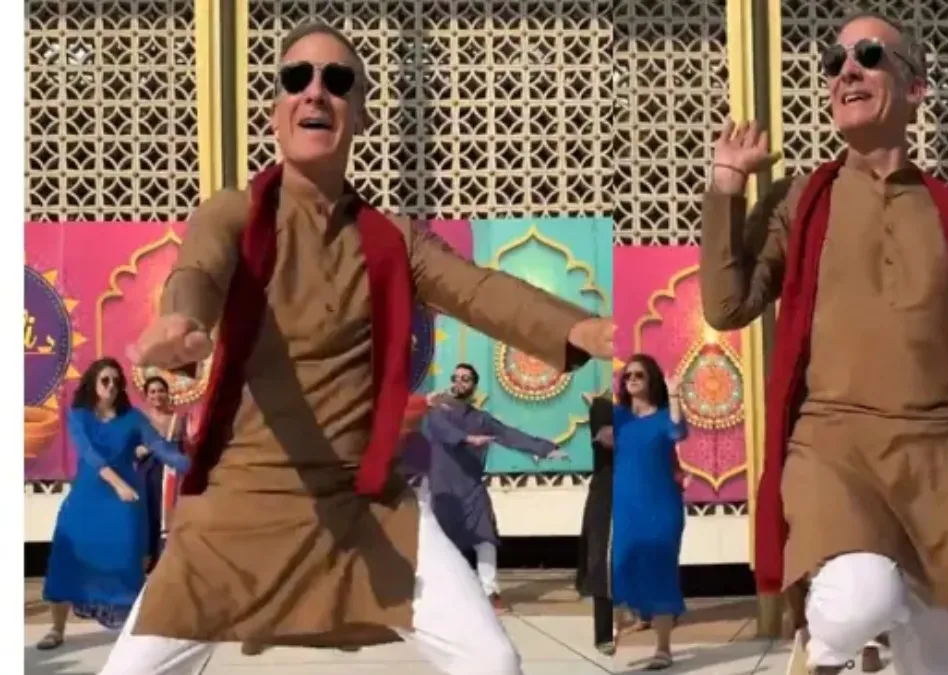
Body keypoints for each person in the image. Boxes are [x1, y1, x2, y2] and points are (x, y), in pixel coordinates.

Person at [99, 22, 612, 675]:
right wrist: (183, 321)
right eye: (297, 78)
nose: (315, 92)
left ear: (360, 113)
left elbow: (478, 290)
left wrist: (585, 331)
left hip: (363, 501)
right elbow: (198, 271)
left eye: (337, 81)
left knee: (491, 660)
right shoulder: (232, 213)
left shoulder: (392, 238)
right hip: (242, 503)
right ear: (276, 110)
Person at [699, 11, 948, 674]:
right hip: (834, 445)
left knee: (945, 663)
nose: (847, 70)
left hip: (937, 462)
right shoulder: (801, 201)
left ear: (916, 87)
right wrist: (726, 189)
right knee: (858, 600)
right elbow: (727, 305)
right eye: (835, 62)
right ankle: (825, 643)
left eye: (869, 56)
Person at [36, 359, 190, 651]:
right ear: (93, 383)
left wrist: (200, 469)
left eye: (117, 382)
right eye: (105, 380)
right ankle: (56, 629)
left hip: (124, 505)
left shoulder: (133, 418)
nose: (111, 386)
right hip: (87, 500)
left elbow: (162, 449)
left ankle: (133, 631)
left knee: (127, 563)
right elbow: (90, 455)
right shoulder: (79, 415)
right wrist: (118, 484)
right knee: (66, 560)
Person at [424, 363, 567, 611]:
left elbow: (509, 435)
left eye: (466, 379)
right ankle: (439, 593)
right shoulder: (438, 412)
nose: (459, 382)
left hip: (472, 488)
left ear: (474, 385)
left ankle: (489, 591)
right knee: (441, 543)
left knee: (485, 537)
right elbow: (444, 432)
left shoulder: (481, 418)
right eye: (456, 377)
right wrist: (468, 439)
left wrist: (546, 449)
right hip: (444, 489)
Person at [611, 355, 688, 670]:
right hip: (625, 508)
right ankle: (613, 630)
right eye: (627, 375)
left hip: (660, 507)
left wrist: (674, 393)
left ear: (651, 380)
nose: (631, 379)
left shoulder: (663, 417)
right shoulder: (618, 417)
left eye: (639, 375)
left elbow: (678, 432)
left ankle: (663, 649)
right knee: (620, 567)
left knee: (661, 572)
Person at [576, 390, 615, 655]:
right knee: (601, 560)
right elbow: (606, 437)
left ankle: (646, 615)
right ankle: (604, 633)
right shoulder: (604, 412)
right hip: (606, 494)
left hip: (636, 492)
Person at [133, 375, 182, 573]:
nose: (157, 395)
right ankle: (147, 565)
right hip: (147, 473)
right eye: (152, 392)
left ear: (167, 393)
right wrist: (141, 450)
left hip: (171, 475)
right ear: (146, 396)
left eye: (161, 391)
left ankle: (168, 565)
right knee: (148, 516)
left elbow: (185, 448)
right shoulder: (140, 420)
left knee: (169, 517)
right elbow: (130, 448)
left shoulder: (178, 420)